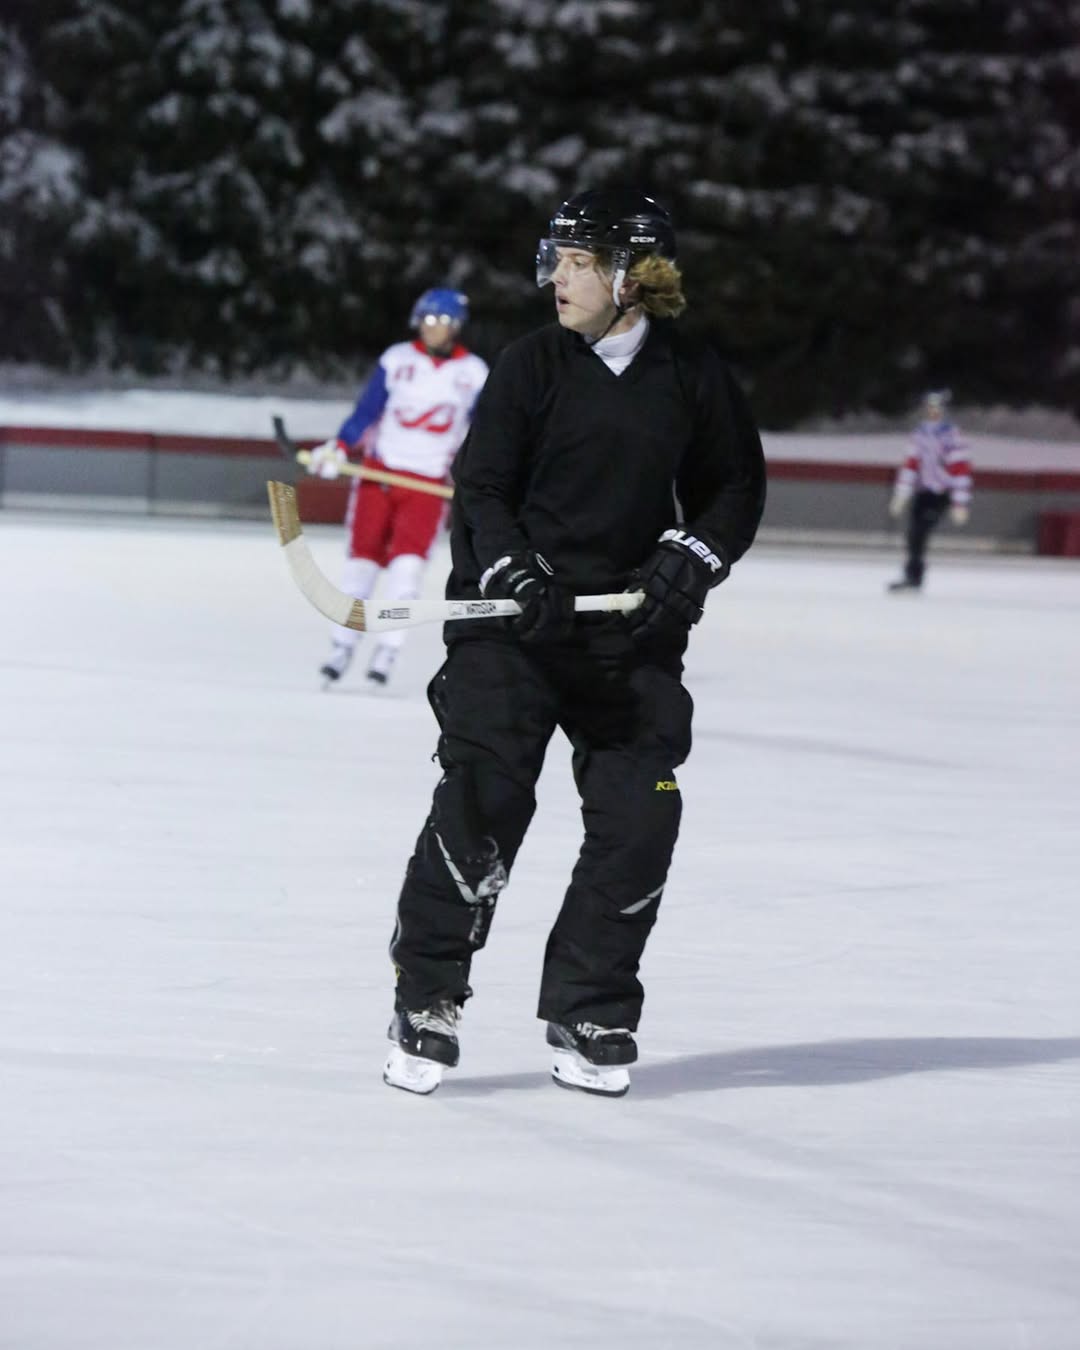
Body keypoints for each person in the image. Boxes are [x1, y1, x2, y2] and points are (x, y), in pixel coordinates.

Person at [381, 188, 767, 1097]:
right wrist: (516, 573)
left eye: (580, 261)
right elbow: (482, 490)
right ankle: (427, 997)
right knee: (483, 800)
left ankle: (591, 1007)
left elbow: (735, 490)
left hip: (628, 639)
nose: (558, 276)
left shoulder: (692, 374)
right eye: (556, 258)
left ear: (634, 275)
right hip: (511, 632)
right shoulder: (531, 365)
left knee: (643, 817)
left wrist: (692, 558)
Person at [307, 287, 488, 687]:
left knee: (407, 571)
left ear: (456, 326)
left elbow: (483, 433)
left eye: (442, 321)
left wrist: (480, 477)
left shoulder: (474, 373)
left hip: (426, 484)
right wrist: (339, 447)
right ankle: (342, 644)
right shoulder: (398, 359)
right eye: (427, 320)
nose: (433, 328)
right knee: (362, 564)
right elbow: (366, 412)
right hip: (380, 475)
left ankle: (388, 650)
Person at [887, 390, 973, 592]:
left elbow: (960, 469)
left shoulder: (952, 436)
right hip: (923, 491)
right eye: (930, 408)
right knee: (913, 534)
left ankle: (914, 576)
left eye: (937, 408)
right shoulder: (920, 434)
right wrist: (902, 493)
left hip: (941, 493)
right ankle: (912, 575)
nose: (933, 412)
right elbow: (911, 464)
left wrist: (960, 502)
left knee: (920, 532)